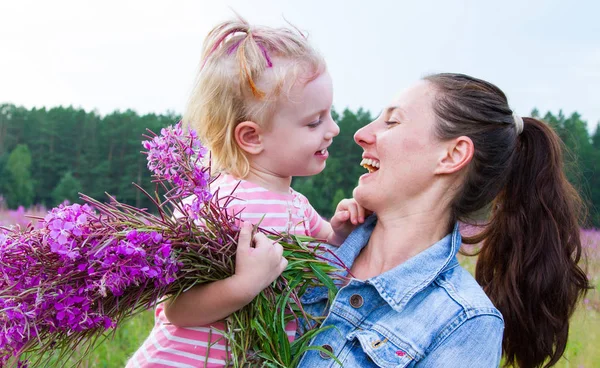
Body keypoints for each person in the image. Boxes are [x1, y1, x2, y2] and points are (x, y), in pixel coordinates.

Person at [289, 73, 590, 367]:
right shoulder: (303, 251)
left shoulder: (464, 324)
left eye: (393, 121)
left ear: (452, 155)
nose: (360, 134)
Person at [127, 18, 353, 367]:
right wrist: (244, 284)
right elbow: (176, 310)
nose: (334, 129)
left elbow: (333, 247)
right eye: (314, 121)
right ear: (251, 137)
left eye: (330, 114)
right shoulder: (210, 207)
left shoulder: (299, 207)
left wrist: (341, 227)